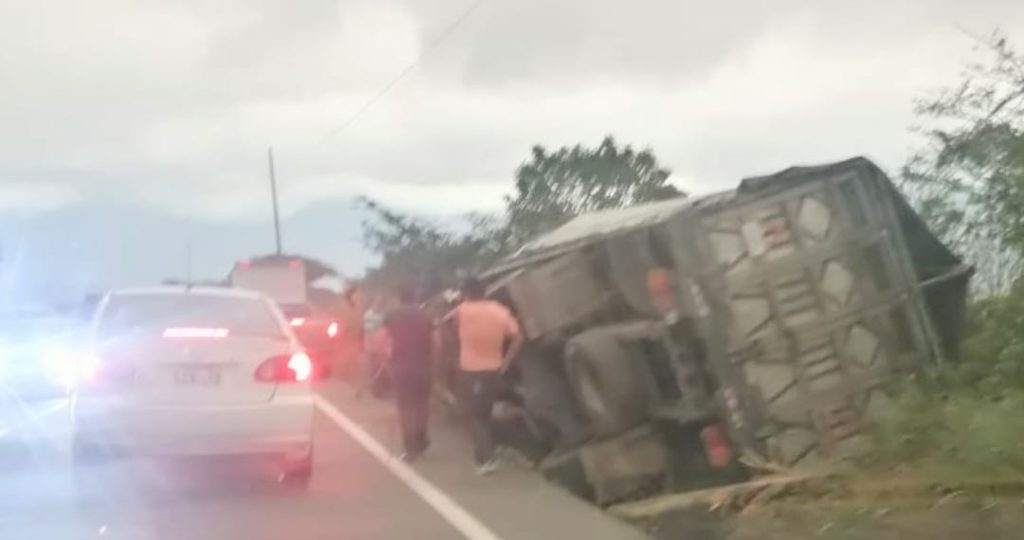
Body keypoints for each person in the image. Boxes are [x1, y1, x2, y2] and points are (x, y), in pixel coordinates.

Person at [455, 277, 524, 475]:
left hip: (470, 370)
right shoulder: (500, 311)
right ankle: (487, 452)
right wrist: (506, 361)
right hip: (494, 369)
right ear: (485, 291)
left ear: (466, 293)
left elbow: (455, 327)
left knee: (475, 415)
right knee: (484, 413)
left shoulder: (462, 310)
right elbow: (518, 337)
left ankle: (486, 459)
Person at [383, 286, 438, 461]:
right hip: (423, 367)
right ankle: (421, 440)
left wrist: (388, 359)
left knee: (405, 408)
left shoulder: (391, 316)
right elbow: (437, 342)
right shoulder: (426, 316)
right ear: (415, 297)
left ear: (399, 299)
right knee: (421, 406)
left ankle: (409, 448)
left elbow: (384, 341)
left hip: (401, 367)